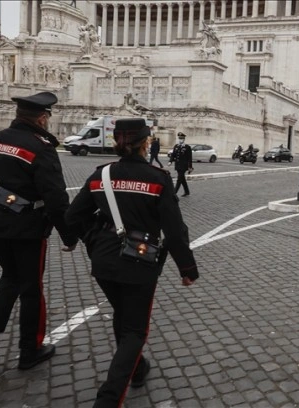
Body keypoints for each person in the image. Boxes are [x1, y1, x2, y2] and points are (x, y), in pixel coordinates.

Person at [64, 118, 198, 408]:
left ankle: (137, 369)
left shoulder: (101, 175)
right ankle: (109, 398)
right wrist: (187, 269)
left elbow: (73, 216)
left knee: (123, 316)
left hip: (103, 263)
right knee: (136, 329)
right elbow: (175, 231)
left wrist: (91, 239)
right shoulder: (157, 177)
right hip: (139, 262)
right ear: (146, 142)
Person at [0, 91, 79, 370]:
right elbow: (56, 198)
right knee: (31, 288)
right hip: (28, 227)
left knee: (10, 277)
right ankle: (30, 348)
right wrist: (69, 234)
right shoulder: (40, 148)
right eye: (47, 117)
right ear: (41, 118)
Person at [168, 132, 193, 197]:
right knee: (182, 179)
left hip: (184, 166)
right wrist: (170, 161)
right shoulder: (176, 146)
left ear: (184, 139)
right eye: (179, 138)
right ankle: (187, 191)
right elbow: (173, 155)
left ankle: (174, 193)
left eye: (181, 138)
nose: (180, 139)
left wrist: (190, 167)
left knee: (179, 179)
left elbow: (189, 158)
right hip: (178, 165)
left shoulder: (187, 147)